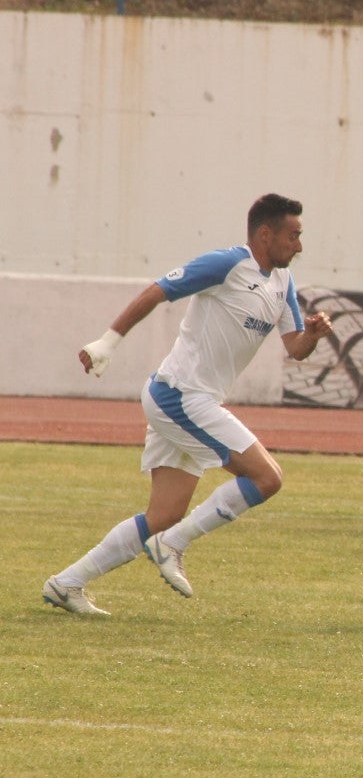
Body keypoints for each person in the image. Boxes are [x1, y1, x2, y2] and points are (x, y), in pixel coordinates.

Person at [42, 193, 333, 616]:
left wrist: (314, 334)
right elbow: (158, 290)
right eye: (294, 236)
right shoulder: (226, 264)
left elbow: (295, 346)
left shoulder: (282, 283)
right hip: (179, 395)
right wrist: (108, 341)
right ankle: (174, 543)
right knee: (268, 478)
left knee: (162, 514)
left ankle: (66, 584)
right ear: (265, 233)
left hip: (190, 400)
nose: (300, 246)